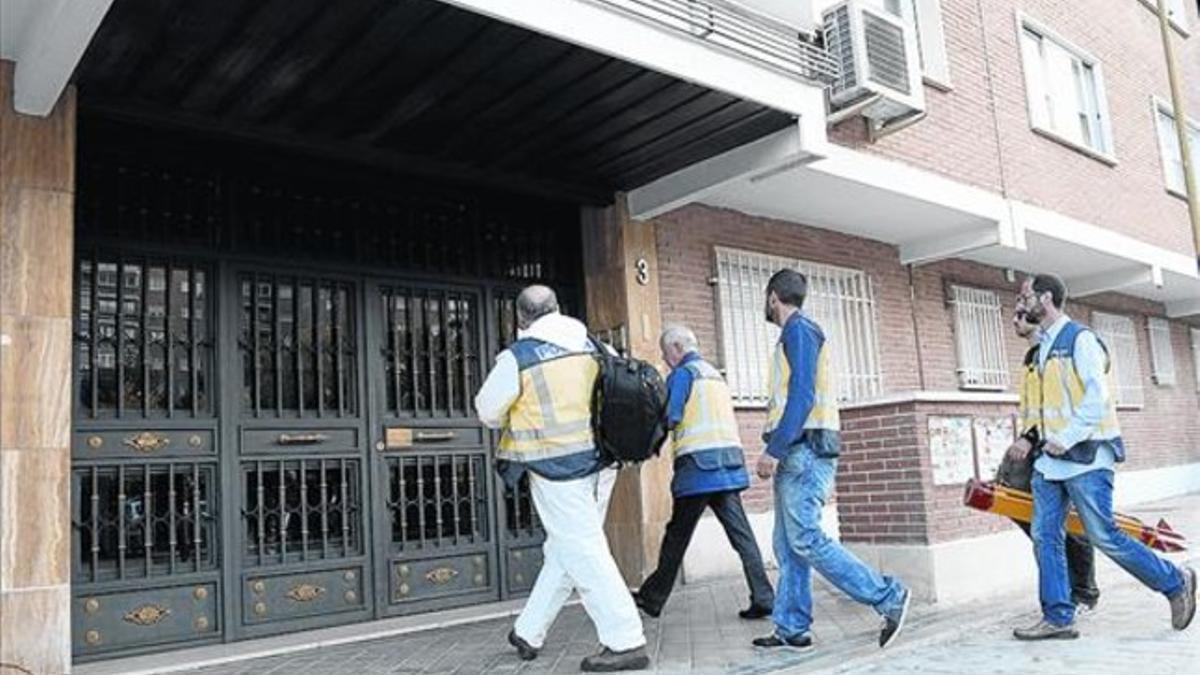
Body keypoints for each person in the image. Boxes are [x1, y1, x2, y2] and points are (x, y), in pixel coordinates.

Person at [1010, 273, 1196, 640]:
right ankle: (1059, 617)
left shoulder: (1081, 340)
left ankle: (1176, 582)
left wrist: (1067, 437)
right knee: (1045, 536)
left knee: (1104, 535)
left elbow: (1098, 399)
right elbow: (1045, 406)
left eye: (1026, 295)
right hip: (1050, 464)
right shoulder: (1042, 347)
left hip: (1087, 457)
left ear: (1045, 299)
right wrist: (1032, 439)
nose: (1021, 302)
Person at [475, 285, 649, 671]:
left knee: (582, 548)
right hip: (603, 465)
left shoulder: (518, 357)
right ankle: (529, 630)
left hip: (557, 467)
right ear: (557, 308)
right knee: (566, 548)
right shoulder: (597, 347)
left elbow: (487, 411)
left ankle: (625, 640)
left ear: (520, 318)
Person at [752, 269, 911, 652]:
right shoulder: (796, 334)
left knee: (805, 539)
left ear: (774, 296)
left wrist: (773, 450)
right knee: (789, 546)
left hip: (803, 452)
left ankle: (888, 596)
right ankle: (791, 627)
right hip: (798, 451)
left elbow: (802, 396)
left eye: (767, 298)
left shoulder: (799, 330)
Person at [632, 325, 775, 620]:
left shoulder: (683, 375)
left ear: (676, 348)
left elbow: (671, 416)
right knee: (742, 537)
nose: (665, 360)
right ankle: (764, 597)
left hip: (698, 470)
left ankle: (652, 599)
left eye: (665, 354)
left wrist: (644, 441)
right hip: (729, 467)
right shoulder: (715, 375)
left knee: (676, 537)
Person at [996, 304, 1101, 612]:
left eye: (1019, 314)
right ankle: (1062, 585)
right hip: (1038, 443)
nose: (1014, 319)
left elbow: (1071, 400)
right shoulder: (1031, 357)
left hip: (1065, 445)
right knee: (1017, 500)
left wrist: (1033, 438)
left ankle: (1083, 591)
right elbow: (1032, 407)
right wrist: (1027, 436)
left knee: (1074, 523)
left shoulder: (1058, 351)